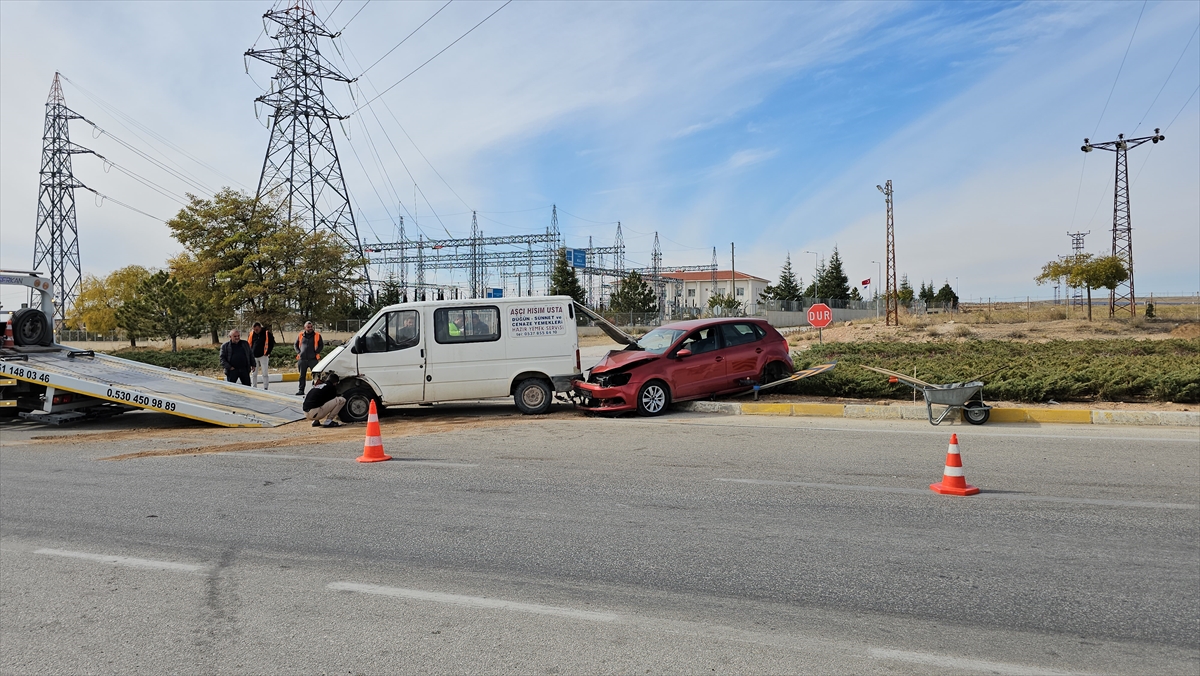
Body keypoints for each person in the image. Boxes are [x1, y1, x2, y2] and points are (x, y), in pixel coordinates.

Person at [294, 321, 323, 396]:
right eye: (308, 327)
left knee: (316, 375)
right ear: (305, 328)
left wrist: (316, 352)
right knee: (302, 376)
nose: (310, 328)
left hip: (313, 359)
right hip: (302, 359)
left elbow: (321, 345)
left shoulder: (317, 335)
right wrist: (298, 352)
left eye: (311, 327)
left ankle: (316, 390)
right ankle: (301, 390)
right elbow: (295, 345)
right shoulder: (301, 335)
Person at [249, 322, 276, 390]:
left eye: (257, 330)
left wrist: (268, 352)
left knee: (265, 373)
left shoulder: (267, 334)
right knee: (254, 373)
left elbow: (271, 344)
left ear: (260, 328)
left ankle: (265, 387)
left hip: (263, 356)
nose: (255, 331)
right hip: (254, 356)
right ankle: (254, 387)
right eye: (254, 329)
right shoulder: (252, 334)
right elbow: (249, 343)